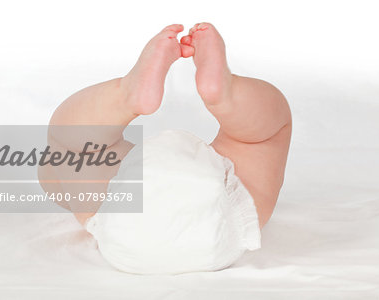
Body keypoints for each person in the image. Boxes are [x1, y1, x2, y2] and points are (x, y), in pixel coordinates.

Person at [39, 23, 292, 229]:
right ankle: (226, 95)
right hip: (223, 222)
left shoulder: (85, 191)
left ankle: (127, 94)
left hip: (125, 228)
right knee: (260, 138)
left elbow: (69, 151)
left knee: (71, 145)